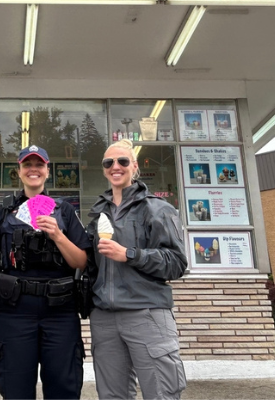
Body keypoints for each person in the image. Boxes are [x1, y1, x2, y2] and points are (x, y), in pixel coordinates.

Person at [0, 145, 92, 399]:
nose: (33, 170)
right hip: (14, 311)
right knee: (15, 388)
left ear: (47, 171)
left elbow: (82, 262)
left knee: (64, 387)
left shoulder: (64, 211)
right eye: (27, 165)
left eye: (39, 165)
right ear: (18, 171)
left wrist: (57, 235)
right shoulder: (4, 212)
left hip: (59, 311)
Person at [85, 139, 188, 400]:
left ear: (134, 165)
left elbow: (176, 263)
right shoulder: (97, 215)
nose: (115, 167)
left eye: (122, 161)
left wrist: (129, 254)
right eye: (109, 162)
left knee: (161, 394)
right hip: (104, 318)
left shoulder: (158, 209)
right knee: (112, 396)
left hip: (147, 313)